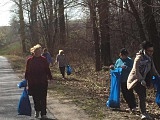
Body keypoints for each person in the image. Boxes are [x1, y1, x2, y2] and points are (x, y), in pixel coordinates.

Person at [127, 41, 160, 120]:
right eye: (149, 51)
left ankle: (143, 112)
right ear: (145, 50)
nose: (151, 52)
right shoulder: (139, 58)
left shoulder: (149, 58)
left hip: (142, 79)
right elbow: (136, 70)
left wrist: (158, 76)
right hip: (135, 79)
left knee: (143, 95)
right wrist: (141, 79)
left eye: (152, 51)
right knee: (142, 95)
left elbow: (153, 69)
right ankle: (143, 113)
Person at [25, 44, 53, 119]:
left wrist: (50, 77)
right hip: (33, 83)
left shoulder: (43, 59)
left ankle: (43, 113)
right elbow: (27, 71)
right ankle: (37, 110)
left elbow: (47, 69)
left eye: (40, 51)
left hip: (43, 82)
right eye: (37, 51)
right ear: (34, 52)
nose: (39, 53)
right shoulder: (30, 60)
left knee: (43, 98)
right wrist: (26, 80)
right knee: (36, 98)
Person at [110, 48, 136, 112]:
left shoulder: (129, 61)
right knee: (124, 94)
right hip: (121, 80)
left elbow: (133, 70)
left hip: (128, 80)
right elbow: (116, 68)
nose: (125, 56)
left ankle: (133, 106)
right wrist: (113, 68)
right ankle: (130, 106)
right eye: (123, 55)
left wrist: (126, 67)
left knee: (130, 93)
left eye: (126, 55)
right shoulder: (118, 61)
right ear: (121, 55)